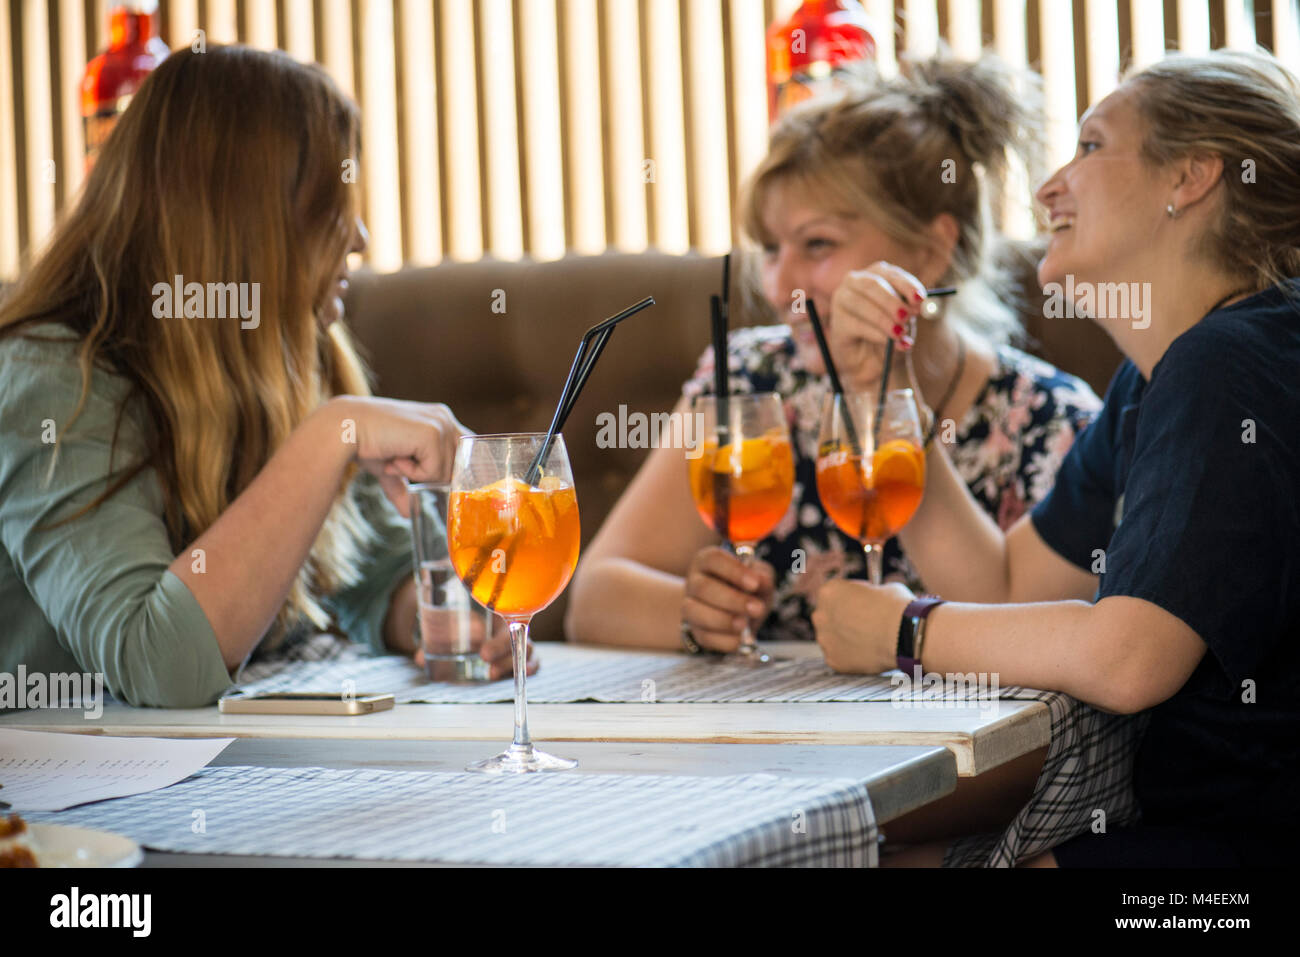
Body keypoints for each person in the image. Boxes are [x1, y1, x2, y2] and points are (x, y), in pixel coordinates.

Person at [813, 47, 1300, 866]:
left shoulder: (1230, 362)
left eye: (1091, 145)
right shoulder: (1158, 383)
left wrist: (904, 629)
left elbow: (1128, 659)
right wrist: (888, 391)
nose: (1047, 188)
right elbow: (1002, 586)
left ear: (1191, 177)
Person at [0, 45, 528, 710]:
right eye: (331, 208)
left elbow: (365, 574)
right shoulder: (48, 380)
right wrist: (332, 431)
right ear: (244, 227)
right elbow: (160, 664)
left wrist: (439, 622)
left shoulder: (290, 352)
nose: (360, 237)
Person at [568, 52, 1099, 653]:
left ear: (930, 250)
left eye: (818, 244)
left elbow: (1028, 635)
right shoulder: (747, 379)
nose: (778, 284)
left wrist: (883, 392)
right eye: (770, 248)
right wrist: (694, 613)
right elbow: (595, 598)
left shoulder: (1050, 421)